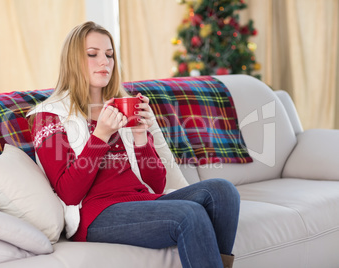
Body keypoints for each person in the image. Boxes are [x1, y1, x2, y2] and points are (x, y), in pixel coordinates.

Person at [28, 21, 240, 268]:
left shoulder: (123, 105)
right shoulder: (48, 115)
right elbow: (68, 192)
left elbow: (155, 184)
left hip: (140, 200)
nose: (104, 62)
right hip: (95, 214)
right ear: (72, 60)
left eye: (109, 55)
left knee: (223, 191)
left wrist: (141, 136)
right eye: (92, 54)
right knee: (189, 214)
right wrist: (100, 136)